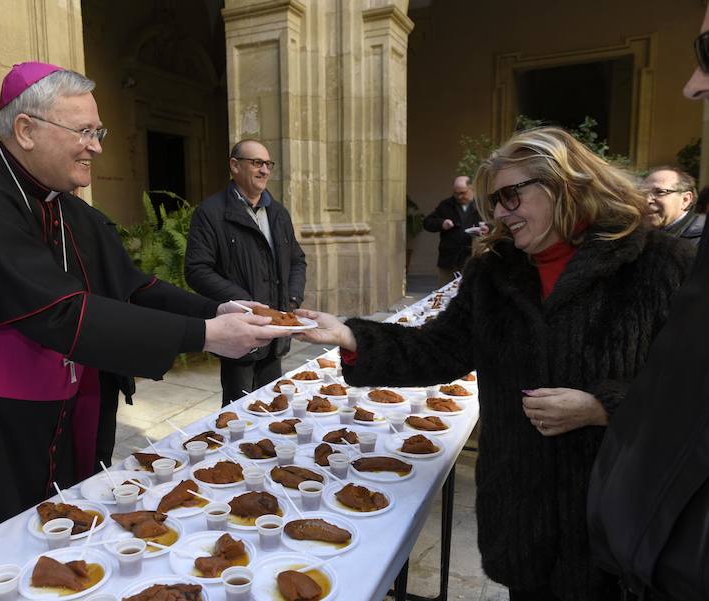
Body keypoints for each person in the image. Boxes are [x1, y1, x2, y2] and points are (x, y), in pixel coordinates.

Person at [0, 62, 287, 596]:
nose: (97, 147)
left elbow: (132, 287)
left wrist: (215, 311)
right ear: (26, 130)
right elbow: (57, 312)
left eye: (97, 132)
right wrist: (204, 339)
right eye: (83, 132)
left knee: (44, 559)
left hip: (43, 421)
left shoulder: (70, 210)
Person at [297, 127, 693, 601]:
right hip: (523, 516)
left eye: (510, 196)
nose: (501, 214)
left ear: (563, 183)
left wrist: (604, 406)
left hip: (616, 517)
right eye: (494, 202)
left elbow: (694, 389)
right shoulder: (495, 271)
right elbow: (439, 349)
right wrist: (349, 334)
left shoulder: (661, 263)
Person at [586, 9, 709, 600]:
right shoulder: (643, 252)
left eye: (707, 52)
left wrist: (600, 404)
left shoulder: (685, 256)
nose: (692, 85)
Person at [185, 139, 307, 406]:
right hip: (240, 334)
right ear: (235, 166)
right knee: (238, 412)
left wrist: (292, 300)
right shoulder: (210, 213)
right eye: (256, 163)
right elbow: (196, 269)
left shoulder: (278, 214)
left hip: (275, 334)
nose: (264, 170)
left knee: (274, 406)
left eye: (267, 164)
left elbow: (297, 260)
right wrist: (244, 304)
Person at [422, 175, 483, 284]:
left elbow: (495, 222)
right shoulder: (446, 205)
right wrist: (442, 223)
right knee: (445, 292)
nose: (459, 197)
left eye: (463, 193)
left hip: (473, 257)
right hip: (449, 260)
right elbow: (427, 223)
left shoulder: (481, 204)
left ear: (471, 188)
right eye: (456, 193)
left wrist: (487, 228)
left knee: (472, 291)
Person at [640, 166, 704, 244]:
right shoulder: (635, 236)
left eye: (660, 192)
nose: (647, 200)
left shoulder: (701, 239)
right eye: (643, 193)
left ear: (685, 200)